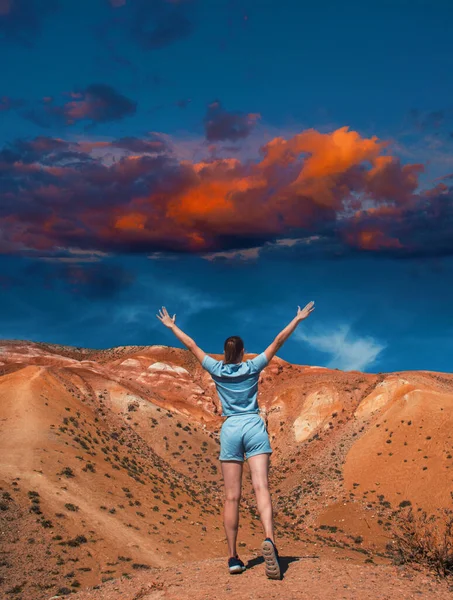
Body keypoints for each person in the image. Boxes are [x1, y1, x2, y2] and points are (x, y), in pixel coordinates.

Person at [156, 302, 315, 579]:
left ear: (226, 354)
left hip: (230, 430)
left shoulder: (215, 369)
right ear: (241, 353)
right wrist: (297, 319)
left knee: (232, 497)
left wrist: (171, 326)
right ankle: (269, 540)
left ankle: (232, 557)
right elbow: (278, 341)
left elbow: (192, 346)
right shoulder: (252, 367)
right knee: (261, 487)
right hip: (253, 426)